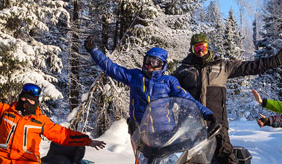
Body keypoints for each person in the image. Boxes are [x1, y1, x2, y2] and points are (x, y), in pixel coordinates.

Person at [173, 33, 282, 164]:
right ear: (191, 49)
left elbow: (252, 66)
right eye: (197, 48)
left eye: (203, 47)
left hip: (217, 123)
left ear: (209, 47)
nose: (200, 51)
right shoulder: (183, 71)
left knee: (226, 155)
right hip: (191, 125)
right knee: (185, 159)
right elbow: (163, 87)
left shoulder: (222, 66)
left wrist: (277, 60)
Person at [83, 36, 215, 134]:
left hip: (165, 131)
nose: (149, 65)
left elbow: (187, 98)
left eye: (154, 62)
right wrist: (94, 51)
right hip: (140, 131)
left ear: (162, 65)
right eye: (147, 61)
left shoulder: (168, 81)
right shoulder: (135, 76)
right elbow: (111, 68)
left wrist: (207, 114)